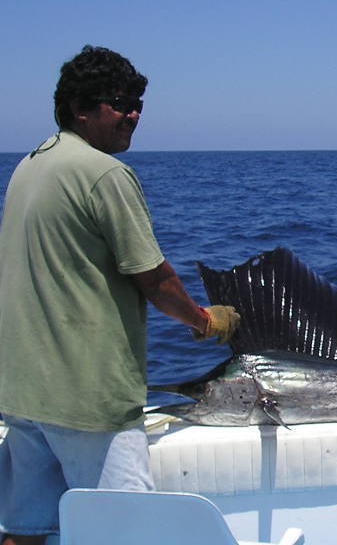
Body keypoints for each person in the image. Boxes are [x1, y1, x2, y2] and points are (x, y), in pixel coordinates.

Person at [0, 46, 241, 545]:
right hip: (88, 401)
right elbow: (153, 278)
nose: (132, 113)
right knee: (128, 534)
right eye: (118, 102)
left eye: (137, 104)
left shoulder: (28, 166)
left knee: (24, 531)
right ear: (79, 108)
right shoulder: (105, 174)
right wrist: (205, 321)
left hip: (22, 393)